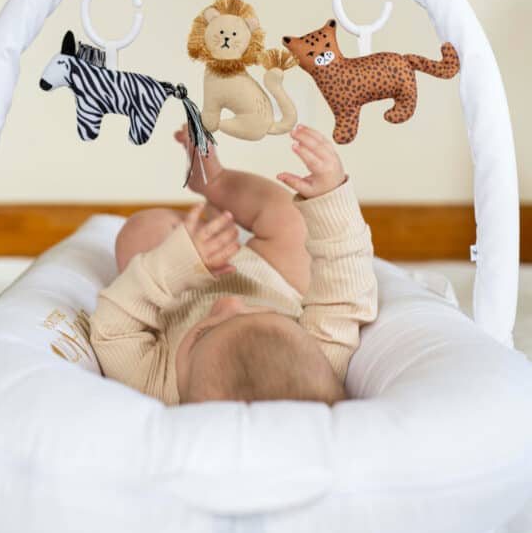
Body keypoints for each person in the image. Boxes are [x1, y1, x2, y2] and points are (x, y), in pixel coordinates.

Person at [89, 125, 377, 405]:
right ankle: (216, 182)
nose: (229, 303)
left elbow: (113, 330)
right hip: (271, 274)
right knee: (292, 221)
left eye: (203, 333)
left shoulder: (156, 387)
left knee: (142, 230)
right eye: (260, 313)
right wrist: (331, 196)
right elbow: (345, 293)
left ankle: (205, 234)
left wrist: (177, 263)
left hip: (179, 289)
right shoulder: (320, 366)